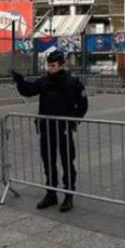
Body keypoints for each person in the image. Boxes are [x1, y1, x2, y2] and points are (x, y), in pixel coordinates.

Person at [11, 50, 88, 213]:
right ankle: (51, 193)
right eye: (48, 65)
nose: (50, 68)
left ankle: (68, 195)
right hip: (46, 128)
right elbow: (29, 90)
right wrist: (19, 81)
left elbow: (83, 104)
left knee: (67, 161)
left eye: (53, 66)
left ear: (61, 65)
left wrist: (73, 121)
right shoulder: (45, 81)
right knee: (48, 161)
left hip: (63, 128)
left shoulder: (73, 82)